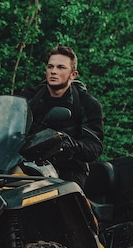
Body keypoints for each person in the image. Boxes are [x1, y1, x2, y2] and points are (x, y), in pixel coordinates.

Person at [19, 45, 104, 188]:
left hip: (69, 169)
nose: (53, 71)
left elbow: (94, 146)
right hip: (30, 165)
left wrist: (70, 144)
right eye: (50, 67)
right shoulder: (29, 99)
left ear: (73, 74)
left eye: (60, 67)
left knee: (68, 198)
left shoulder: (87, 104)